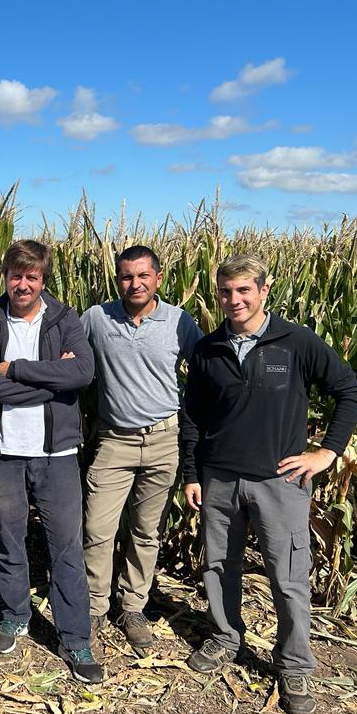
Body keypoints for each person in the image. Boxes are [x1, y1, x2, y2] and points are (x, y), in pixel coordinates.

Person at [184, 254, 357, 714]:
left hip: (280, 482)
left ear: (264, 291)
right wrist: (192, 474)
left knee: (287, 577)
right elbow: (193, 418)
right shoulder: (207, 349)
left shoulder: (296, 341)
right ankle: (225, 637)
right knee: (218, 566)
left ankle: (294, 664)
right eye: (226, 291)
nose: (234, 299)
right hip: (219, 478)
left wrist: (327, 452)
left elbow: (349, 390)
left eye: (244, 290)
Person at [0, 240, 103, 683]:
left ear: (43, 279)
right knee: (9, 540)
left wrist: (16, 369)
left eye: (32, 277)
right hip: (3, 452)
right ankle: (15, 616)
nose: (23, 284)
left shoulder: (64, 320)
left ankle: (75, 638)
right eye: (16, 275)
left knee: (66, 547)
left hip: (56, 454)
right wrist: (50, 383)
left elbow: (81, 372)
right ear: (5, 276)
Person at [80, 245, 202, 651]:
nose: (135, 283)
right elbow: (66, 355)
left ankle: (132, 607)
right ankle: (94, 607)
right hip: (115, 440)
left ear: (158, 278)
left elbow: (205, 371)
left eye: (143, 275)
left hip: (165, 440)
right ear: (118, 280)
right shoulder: (97, 318)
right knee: (97, 529)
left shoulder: (180, 321)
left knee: (147, 532)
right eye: (127, 276)